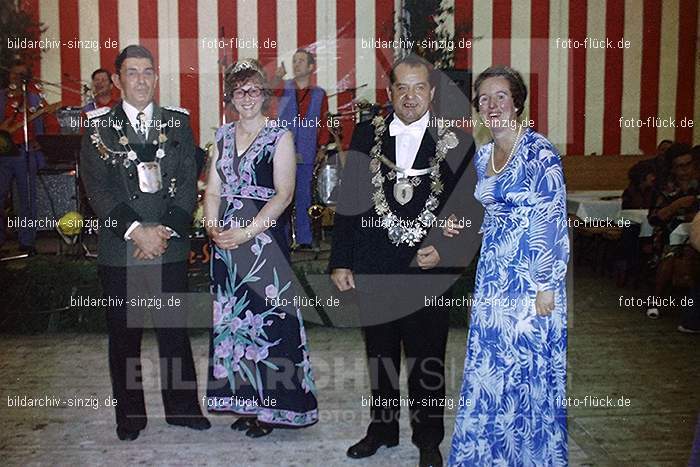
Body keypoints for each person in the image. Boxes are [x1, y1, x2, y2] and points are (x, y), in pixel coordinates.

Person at [329, 54, 482, 467]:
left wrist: (447, 251)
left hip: (426, 273)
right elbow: (350, 201)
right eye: (402, 88)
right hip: (374, 267)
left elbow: (469, 209)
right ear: (390, 92)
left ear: (432, 93)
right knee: (379, 357)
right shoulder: (366, 136)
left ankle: (429, 438)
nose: (410, 96)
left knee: (427, 359)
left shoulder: (456, 142)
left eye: (419, 88)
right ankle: (381, 430)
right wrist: (341, 260)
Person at [80, 45, 210, 441]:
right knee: (125, 338)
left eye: (148, 72)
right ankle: (130, 418)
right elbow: (97, 190)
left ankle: (184, 410)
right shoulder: (98, 128)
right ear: (117, 80)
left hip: (168, 246)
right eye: (132, 72)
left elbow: (188, 183)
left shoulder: (178, 123)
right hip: (122, 250)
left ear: (156, 77)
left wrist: (163, 231)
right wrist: (137, 231)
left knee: (173, 331)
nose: (141, 80)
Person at [444, 66, 569, 465]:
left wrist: (547, 284)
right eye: (484, 98)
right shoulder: (483, 156)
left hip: (532, 279)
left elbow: (551, 220)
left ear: (517, 102)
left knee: (526, 370)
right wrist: (459, 225)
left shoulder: (539, 151)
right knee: (491, 368)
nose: (492, 104)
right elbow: (489, 216)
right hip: (493, 277)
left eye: (501, 96)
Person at [203, 59, 318, 437]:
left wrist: (246, 232)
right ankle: (248, 403)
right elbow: (214, 189)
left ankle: (275, 410)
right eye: (239, 90)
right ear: (230, 98)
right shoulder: (220, 137)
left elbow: (284, 195)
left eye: (253, 89)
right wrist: (211, 225)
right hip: (227, 249)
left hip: (264, 245)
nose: (247, 97)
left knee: (270, 326)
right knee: (236, 326)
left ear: (264, 95)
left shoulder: (279, 135)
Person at [272, 48, 330, 249]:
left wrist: (322, 147)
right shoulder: (284, 87)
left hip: (306, 151)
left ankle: (304, 239)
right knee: (283, 195)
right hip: (283, 152)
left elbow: (323, 121)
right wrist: (276, 78)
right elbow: (267, 96)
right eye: (294, 61)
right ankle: (283, 238)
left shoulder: (320, 94)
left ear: (311, 67)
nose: (296, 64)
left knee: (304, 195)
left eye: (301, 61)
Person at [646, 143, 699, 320]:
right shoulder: (663, 187)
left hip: (696, 230)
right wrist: (676, 205)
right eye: (680, 166)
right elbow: (654, 219)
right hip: (667, 233)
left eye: (689, 164)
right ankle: (656, 299)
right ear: (672, 168)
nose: (685, 170)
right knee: (670, 254)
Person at [0, 60, 48, 255]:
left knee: (27, 199)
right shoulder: (2, 98)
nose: (16, 78)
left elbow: (48, 121)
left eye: (21, 75)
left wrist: (41, 142)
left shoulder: (34, 99)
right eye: (13, 74)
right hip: (3, 154)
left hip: (25, 153)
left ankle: (27, 242)